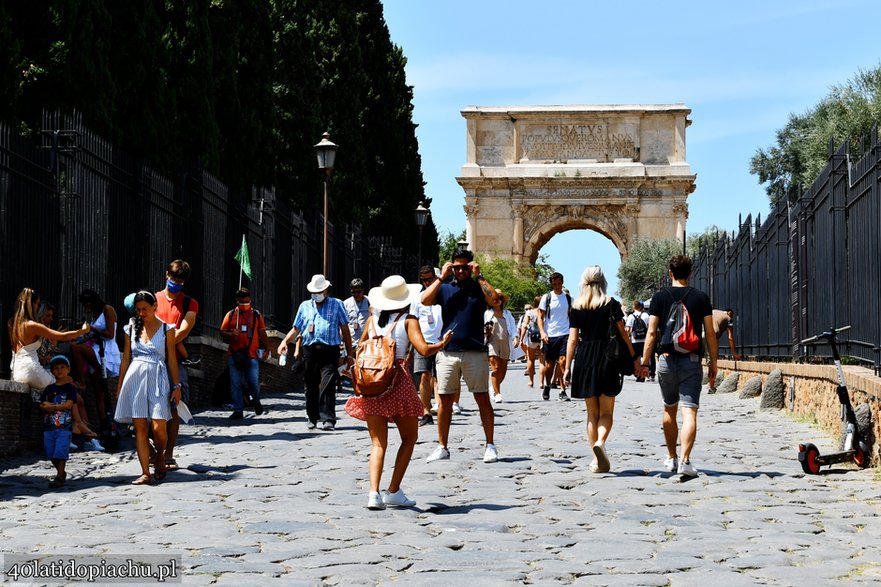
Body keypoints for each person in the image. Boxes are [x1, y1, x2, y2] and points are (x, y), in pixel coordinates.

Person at [345, 275, 452, 509]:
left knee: (377, 444)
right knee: (409, 437)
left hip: (372, 383)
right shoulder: (408, 320)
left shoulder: (372, 320)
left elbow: (361, 348)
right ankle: (393, 490)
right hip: (398, 381)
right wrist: (441, 344)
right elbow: (423, 349)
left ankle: (373, 493)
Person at [420, 249, 501, 464]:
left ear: (471, 266)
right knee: (444, 401)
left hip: (474, 351)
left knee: (482, 398)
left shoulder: (478, 286)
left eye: (465, 266)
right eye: (457, 266)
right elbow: (424, 300)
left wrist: (480, 276)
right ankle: (442, 446)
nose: (461, 270)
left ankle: (490, 445)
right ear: (451, 267)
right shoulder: (445, 287)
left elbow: (495, 301)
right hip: (448, 352)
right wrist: (440, 277)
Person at [641, 256, 717, 478]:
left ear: (669, 273)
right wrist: (714, 362)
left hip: (665, 359)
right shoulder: (701, 298)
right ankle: (685, 461)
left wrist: (645, 362)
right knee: (690, 412)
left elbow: (652, 332)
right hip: (691, 361)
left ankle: (672, 457)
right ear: (691, 273)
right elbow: (710, 334)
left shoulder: (659, 298)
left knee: (669, 408)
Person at [563, 266, 645, 473]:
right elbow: (624, 334)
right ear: (603, 282)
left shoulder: (576, 307)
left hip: (584, 359)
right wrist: (635, 358)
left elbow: (573, 339)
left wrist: (567, 367)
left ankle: (594, 458)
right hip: (607, 358)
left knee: (592, 413)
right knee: (606, 411)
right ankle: (601, 441)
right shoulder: (611, 304)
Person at [114, 291, 181, 485]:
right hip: (135, 376)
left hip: (158, 377)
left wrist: (176, 386)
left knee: (160, 428)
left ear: (154, 307)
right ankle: (145, 472)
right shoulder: (131, 328)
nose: (141, 313)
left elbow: (171, 358)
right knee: (140, 427)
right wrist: (120, 385)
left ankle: (159, 455)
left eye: (145, 309)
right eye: (138, 309)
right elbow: (126, 357)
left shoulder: (167, 328)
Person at [278, 274, 354, 431]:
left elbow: (345, 329)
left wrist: (349, 353)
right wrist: (284, 342)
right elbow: (296, 328)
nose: (316, 294)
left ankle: (328, 419)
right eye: (313, 291)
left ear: (326, 290)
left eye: (319, 291)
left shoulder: (337, 304)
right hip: (310, 350)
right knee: (311, 385)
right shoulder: (304, 306)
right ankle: (312, 416)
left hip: (330, 349)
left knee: (328, 384)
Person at [36, 302, 100, 445]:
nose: (50, 319)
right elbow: (42, 357)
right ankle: (83, 434)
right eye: (47, 316)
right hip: (44, 372)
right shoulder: (38, 333)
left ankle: (87, 435)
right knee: (73, 397)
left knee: (79, 399)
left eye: (52, 316)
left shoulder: (48, 333)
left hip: (54, 373)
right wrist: (53, 343)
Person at [155, 259, 198, 471]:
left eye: (180, 281)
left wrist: (163, 340)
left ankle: (169, 453)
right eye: (173, 279)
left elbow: (184, 329)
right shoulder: (153, 300)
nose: (175, 283)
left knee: (173, 408)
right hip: (152, 359)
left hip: (174, 361)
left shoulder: (190, 303)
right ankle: (156, 451)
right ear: (166, 275)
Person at [8, 288, 89, 391]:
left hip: (16, 371)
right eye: (37, 304)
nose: (37, 307)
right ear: (31, 304)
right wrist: (83, 331)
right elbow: (62, 336)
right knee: (65, 388)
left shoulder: (12, 324)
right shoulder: (32, 326)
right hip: (31, 370)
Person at [69, 289, 120, 428]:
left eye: (87, 305)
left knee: (75, 347)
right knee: (99, 391)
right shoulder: (95, 315)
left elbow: (110, 334)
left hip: (106, 351)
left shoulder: (107, 310)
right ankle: (104, 423)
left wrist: (91, 328)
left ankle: (81, 381)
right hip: (97, 349)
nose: (87, 308)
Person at [220, 288, 271, 419]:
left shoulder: (256, 315)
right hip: (234, 354)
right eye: (242, 302)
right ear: (237, 301)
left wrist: (267, 349)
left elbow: (262, 333)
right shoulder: (231, 315)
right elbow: (222, 332)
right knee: (235, 383)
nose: (244, 304)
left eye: (246, 301)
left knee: (253, 382)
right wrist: (231, 334)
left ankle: (256, 401)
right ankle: (238, 410)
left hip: (251, 354)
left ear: (250, 300)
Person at [39, 355, 79, 488]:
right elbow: (42, 403)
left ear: (68, 369)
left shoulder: (70, 388)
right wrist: (45, 406)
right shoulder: (48, 389)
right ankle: (60, 472)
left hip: (64, 427)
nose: (59, 370)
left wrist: (53, 407)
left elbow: (69, 405)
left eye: (62, 367)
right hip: (48, 427)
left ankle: (60, 476)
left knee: (60, 451)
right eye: (56, 368)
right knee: (50, 452)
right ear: (52, 371)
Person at [413, 266, 443, 427]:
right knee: (424, 376)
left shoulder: (443, 296)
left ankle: (440, 407)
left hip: (442, 342)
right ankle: (426, 411)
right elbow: (413, 321)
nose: (427, 282)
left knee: (440, 378)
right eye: (424, 280)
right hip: (423, 342)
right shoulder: (417, 299)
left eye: (429, 279)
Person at [537, 272, 572, 401]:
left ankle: (563, 390)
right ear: (551, 284)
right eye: (554, 284)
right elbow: (540, 317)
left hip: (565, 333)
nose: (557, 286)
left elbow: (572, 316)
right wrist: (542, 332)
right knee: (550, 365)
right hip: (550, 335)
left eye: (559, 284)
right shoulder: (546, 298)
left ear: (562, 283)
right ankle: (547, 385)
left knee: (562, 361)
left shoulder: (568, 298)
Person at [484, 289, 515, 403]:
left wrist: (516, 337)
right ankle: (497, 393)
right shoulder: (487, 314)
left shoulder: (507, 314)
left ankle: (494, 386)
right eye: (494, 299)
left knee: (503, 369)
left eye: (499, 298)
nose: (497, 301)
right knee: (495, 368)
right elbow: (482, 328)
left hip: (505, 342)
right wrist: (486, 331)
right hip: (492, 342)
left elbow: (513, 327)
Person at [707, 308, 741, 392]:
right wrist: (734, 353)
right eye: (732, 316)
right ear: (729, 313)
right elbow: (730, 337)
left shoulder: (713, 311)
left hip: (702, 333)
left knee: (705, 360)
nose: (731, 318)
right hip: (712, 335)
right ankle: (711, 387)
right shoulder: (728, 318)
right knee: (712, 361)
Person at [518, 298, 543, 388]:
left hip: (531, 338)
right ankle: (541, 382)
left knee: (530, 359)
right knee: (542, 361)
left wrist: (521, 339)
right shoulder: (545, 312)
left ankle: (531, 381)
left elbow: (524, 326)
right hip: (542, 337)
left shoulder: (529, 312)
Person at [625, 300, 650, 382]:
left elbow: (628, 329)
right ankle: (646, 375)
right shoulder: (646, 315)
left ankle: (639, 375)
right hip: (645, 340)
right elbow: (649, 327)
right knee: (645, 358)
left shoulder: (631, 316)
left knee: (637, 359)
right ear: (641, 306)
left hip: (634, 341)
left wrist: (628, 338)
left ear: (633, 307)